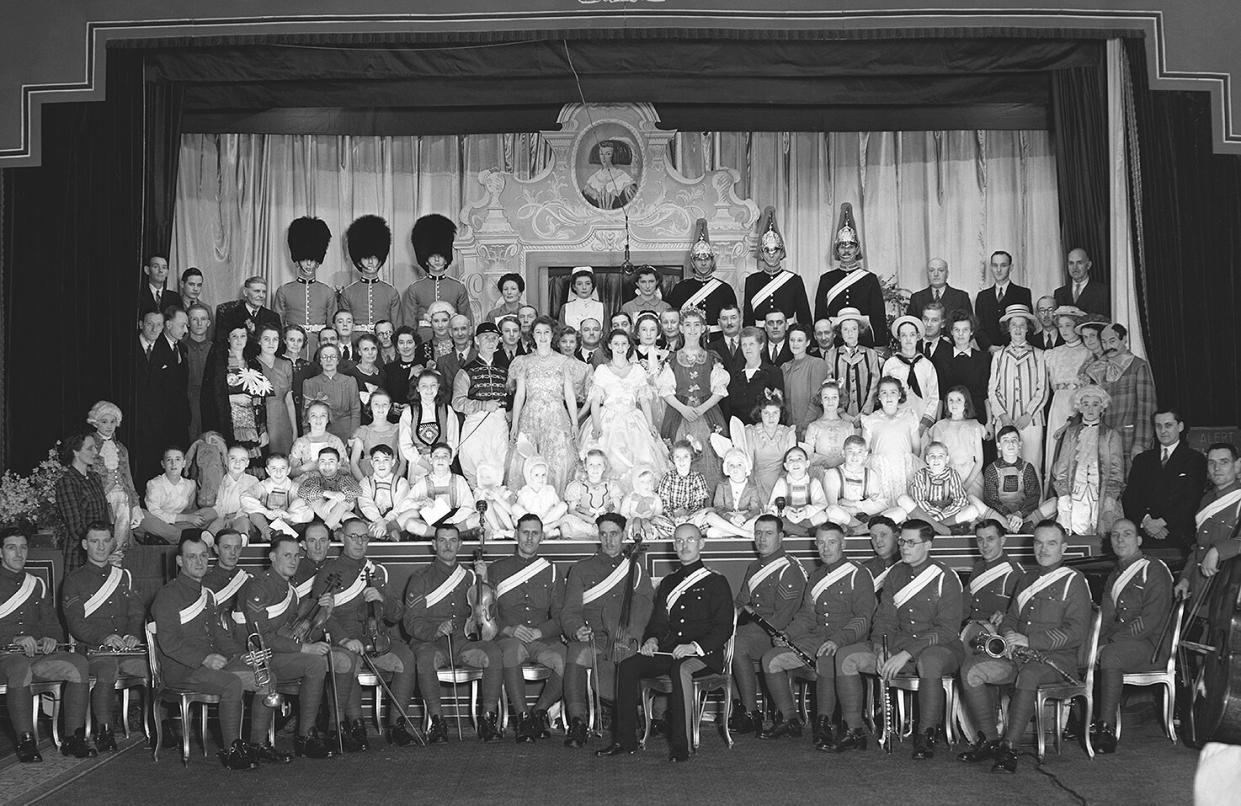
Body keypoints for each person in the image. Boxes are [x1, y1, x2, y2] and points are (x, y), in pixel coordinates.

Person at [956, 520, 1091, 774]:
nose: (1043, 549)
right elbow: (1010, 618)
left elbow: (1076, 632)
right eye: (1038, 543)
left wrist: (1031, 641)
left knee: (1029, 675)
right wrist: (1009, 635)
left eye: (1051, 543)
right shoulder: (1027, 578)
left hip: (1055, 661)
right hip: (1017, 656)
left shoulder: (1074, 581)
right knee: (971, 669)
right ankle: (990, 740)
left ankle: (1009, 748)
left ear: (1064, 547)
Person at [597, 523, 733, 763]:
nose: (684, 545)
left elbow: (724, 627)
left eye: (690, 540)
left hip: (702, 654)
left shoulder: (716, 582)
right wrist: (652, 639)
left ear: (701, 544)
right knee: (628, 666)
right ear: (673, 546)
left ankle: (682, 746)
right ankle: (624, 740)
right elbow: (658, 622)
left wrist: (694, 647)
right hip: (670, 652)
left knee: (680, 669)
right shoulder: (669, 583)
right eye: (679, 541)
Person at [835, 519, 964, 759]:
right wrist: (880, 648)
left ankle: (926, 735)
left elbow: (947, 630)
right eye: (902, 541)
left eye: (911, 542)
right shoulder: (895, 573)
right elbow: (885, 619)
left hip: (939, 647)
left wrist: (907, 654)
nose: (904, 547)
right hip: (897, 646)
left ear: (928, 545)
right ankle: (854, 730)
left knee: (930, 662)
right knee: (846, 657)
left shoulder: (945, 576)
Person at [151, 531, 273, 769]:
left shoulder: (206, 595)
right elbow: (169, 642)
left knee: (265, 677)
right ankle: (232, 750)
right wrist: (204, 658)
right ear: (180, 561)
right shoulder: (168, 595)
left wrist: (241, 656)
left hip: (209, 664)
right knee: (231, 684)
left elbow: (218, 634)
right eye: (191, 557)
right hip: (182, 669)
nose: (198, 562)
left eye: (203, 556)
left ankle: (258, 746)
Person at [760, 522, 874, 749]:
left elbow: (863, 618)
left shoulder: (858, 574)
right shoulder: (816, 576)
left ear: (843, 543)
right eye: (820, 543)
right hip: (817, 638)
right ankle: (789, 719)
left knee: (827, 658)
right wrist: (787, 634)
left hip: (848, 640)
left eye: (831, 542)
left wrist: (838, 640)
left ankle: (823, 724)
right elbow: (807, 616)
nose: (826, 548)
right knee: (770, 660)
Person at [316, 519, 418, 748]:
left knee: (407, 657)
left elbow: (397, 614)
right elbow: (321, 616)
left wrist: (382, 599)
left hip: (376, 639)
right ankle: (355, 725)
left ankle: (397, 725)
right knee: (348, 660)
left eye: (364, 537)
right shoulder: (328, 571)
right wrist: (344, 639)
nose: (360, 542)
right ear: (342, 538)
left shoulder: (376, 570)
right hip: (345, 639)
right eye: (354, 537)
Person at [0, 528, 97, 762]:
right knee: (18, 668)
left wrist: (51, 638)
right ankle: (26, 741)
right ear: (0, 551)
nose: (19, 553)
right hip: (4, 657)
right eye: (12, 547)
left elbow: (51, 623)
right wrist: (12, 640)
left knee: (78, 664)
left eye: (23, 547)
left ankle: (73, 738)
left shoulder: (36, 584)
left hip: (35, 656)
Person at [403, 523, 504, 742]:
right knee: (426, 658)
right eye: (442, 540)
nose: (447, 545)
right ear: (433, 544)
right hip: (430, 640)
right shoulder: (420, 578)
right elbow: (411, 621)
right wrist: (434, 630)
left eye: (452, 541)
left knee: (493, 653)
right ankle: (437, 722)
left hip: (463, 638)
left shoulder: (470, 577)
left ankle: (488, 718)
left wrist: (484, 580)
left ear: (460, 545)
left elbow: (487, 613)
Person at [237, 534, 335, 758]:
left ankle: (306, 736)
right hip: (256, 656)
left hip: (277, 654)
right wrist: (304, 649)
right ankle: (257, 744)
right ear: (272, 557)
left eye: (296, 556)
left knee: (316, 664)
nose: (293, 561)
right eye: (286, 555)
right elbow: (260, 636)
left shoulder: (288, 589)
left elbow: (295, 632)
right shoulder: (259, 587)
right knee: (313, 662)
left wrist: (325, 614)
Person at [560, 513, 653, 747]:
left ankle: (629, 714)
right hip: (593, 637)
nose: (609, 540)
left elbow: (646, 610)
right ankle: (578, 722)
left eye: (614, 534)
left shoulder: (636, 570)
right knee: (576, 651)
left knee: (633, 660)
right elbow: (570, 612)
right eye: (603, 534)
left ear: (623, 535)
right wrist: (576, 629)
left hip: (625, 638)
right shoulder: (581, 569)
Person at [61, 522, 144, 752]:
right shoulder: (74, 580)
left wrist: (132, 635)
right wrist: (104, 637)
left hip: (125, 649)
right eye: (95, 541)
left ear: (112, 543)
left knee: (154, 666)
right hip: (92, 649)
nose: (101, 546)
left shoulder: (124, 576)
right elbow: (75, 623)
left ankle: (161, 725)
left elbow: (137, 612)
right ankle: (105, 730)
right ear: (85, 545)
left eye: (106, 541)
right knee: (107, 667)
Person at [1092, 518, 1173, 753]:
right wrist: (1096, 644)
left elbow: (1150, 621)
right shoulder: (1115, 574)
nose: (1120, 539)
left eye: (1127, 534)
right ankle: (1080, 719)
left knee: (1111, 656)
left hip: (1152, 646)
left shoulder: (1154, 569)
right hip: (1125, 645)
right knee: (1085, 650)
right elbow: (1106, 619)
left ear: (1138, 540)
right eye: (1115, 535)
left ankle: (1105, 728)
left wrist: (1109, 645)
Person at [490, 515, 567, 742]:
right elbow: (485, 615)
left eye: (535, 533)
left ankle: (539, 712)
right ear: (516, 535)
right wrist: (508, 630)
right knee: (512, 651)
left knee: (565, 658)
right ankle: (522, 717)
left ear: (542, 537)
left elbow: (561, 616)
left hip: (540, 639)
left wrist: (541, 632)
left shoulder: (551, 571)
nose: (530, 538)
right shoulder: (496, 570)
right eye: (525, 532)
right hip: (509, 638)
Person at [728, 514, 808, 734]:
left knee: (736, 644)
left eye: (769, 533)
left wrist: (744, 631)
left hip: (778, 634)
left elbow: (783, 616)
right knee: (723, 640)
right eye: (758, 533)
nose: (762, 539)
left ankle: (751, 712)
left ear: (781, 537)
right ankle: (738, 706)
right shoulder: (754, 567)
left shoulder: (789, 568)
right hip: (752, 631)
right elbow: (741, 601)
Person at [582, 328, 669, 491]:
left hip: (632, 418)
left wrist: (650, 425)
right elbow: (595, 402)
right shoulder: (602, 370)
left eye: (623, 344)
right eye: (616, 344)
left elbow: (643, 400)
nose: (620, 348)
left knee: (641, 455)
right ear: (610, 345)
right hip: (607, 418)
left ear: (629, 346)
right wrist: (596, 426)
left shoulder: (637, 370)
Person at [507, 316, 579, 495]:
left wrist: (575, 422)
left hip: (556, 416)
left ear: (552, 335)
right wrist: (515, 423)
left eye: (546, 332)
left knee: (557, 459)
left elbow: (569, 395)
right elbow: (520, 394)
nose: (542, 336)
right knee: (526, 458)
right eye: (538, 332)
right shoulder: (523, 361)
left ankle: (554, 499)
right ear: (532, 335)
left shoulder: (564, 362)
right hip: (530, 416)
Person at [1123, 408, 1208, 557]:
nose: (1163, 430)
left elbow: (1192, 499)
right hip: (1144, 535)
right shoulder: (1142, 460)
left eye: (1168, 425)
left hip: (1179, 536)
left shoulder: (1195, 459)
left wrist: (1162, 522)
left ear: (1180, 427)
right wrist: (1148, 521)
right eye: (1158, 426)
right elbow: (1130, 497)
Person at [1079, 323, 1157, 475]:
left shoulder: (1138, 366)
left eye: (1112, 341)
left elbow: (1147, 408)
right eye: (1104, 342)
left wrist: (1140, 444)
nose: (1108, 346)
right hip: (1102, 443)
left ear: (1124, 339)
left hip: (1128, 442)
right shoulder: (1097, 369)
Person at [1050, 385, 1125, 536]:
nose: (1090, 409)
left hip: (1102, 497)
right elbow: (1062, 468)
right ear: (1080, 408)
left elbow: (1117, 471)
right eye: (1086, 404)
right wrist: (1064, 497)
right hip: (1076, 497)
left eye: (1095, 404)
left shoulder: (1111, 434)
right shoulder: (1071, 433)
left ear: (1102, 408)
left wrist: (1110, 499)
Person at [1174, 443, 1241, 601]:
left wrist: (1217, 550)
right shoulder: (1206, 499)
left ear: (1237, 465)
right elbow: (1198, 547)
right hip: (1202, 589)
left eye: (1224, 462)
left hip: (1229, 590)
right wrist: (1185, 578)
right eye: (1211, 462)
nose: (1216, 468)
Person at [814, 202, 886, 343]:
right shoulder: (826, 279)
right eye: (842, 246)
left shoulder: (869, 279)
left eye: (851, 246)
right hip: (835, 339)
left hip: (863, 336)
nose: (846, 251)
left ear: (857, 249)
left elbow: (878, 315)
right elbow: (820, 314)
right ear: (836, 250)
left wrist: (880, 344)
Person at [988, 303, 1047, 470]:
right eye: (1014, 325)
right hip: (1005, 420)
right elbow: (993, 389)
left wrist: (1028, 414)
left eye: (1022, 325)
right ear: (1008, 328)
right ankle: (1008, 497)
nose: (1018, 329)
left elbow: (1042, 389)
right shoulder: (999, 356)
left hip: (1031, 421)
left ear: (1028, 328)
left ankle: (1034, 497)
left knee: (1032, 464)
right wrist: (1002, 416)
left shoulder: (1039, 354)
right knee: (1007, 465)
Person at [203, 325, 271, 468]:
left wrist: (263, 430)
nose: (239, 340)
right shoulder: (220, 363)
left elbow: (260, 400)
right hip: (228, 423)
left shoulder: (253, 363)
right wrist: (232, 399)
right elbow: (210, 394)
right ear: (228, 339)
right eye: (235, 336)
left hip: (251, 424)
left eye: (243, 336)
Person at [403, 213, 472, 342]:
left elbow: (466, 319)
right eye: (432, 255)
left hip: (452, 339)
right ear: (425, 259)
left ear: (447, 259)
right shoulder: (415, 289)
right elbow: (409, 323)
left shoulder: (458, 288)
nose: (436, 259)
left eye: (441, 255)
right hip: (423, 339)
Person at [274, 216, 335, 358]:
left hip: (318, 347)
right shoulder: (284, 291)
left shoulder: (327, 292)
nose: (308, 264)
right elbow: (279, 325)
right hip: (293, 346)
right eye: (304, 259)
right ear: (297, 260)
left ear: (318, 262)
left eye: (312, 260)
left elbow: (330, 326)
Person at [85, 402, 142, 549]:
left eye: (113, 421)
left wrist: (136, 505)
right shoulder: (88, 445)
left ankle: (116, 552)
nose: (109, 426)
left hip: (120, 494)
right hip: (98, 493)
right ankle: (111, 552)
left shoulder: (121, 449)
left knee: (123, 498)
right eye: (104, 422)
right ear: (96, 422)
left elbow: (128, 479)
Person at [743, 206, 811, 327]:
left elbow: (804, 318)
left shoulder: (794, 281)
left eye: (775, 250)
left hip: (787, 336)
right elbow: (748, 319)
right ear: (761, 254)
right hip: (759, 337)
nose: (771, 255)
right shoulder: (752, 281)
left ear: (781, 253)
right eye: (767, 251)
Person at [893, 441, 981, 533]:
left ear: (947, 459)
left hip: (947, 515)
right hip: (924, 514)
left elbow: (960, 500)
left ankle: (933, 527)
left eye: (940, 456)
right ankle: (943, 530)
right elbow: (919, 501)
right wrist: (934, 513)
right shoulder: (920, 474)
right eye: (932, 456)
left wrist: (941, 516)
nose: (936, 459)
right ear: (927, 459)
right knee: (902, 499)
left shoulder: (953, 474)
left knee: (973, 510)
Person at [54, 431, 112, 570]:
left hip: (101, 551)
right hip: (79, 553)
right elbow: (76, 529)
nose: (95, 452)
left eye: (95, 448)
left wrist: (108, 542)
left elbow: (104, 515)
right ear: (75, 452)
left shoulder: (95, 478)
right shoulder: (67, 482)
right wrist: (98, 546)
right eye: (89, 448)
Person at [667, 218, 738, 332]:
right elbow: (674, 320)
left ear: (712, 261)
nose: (703, 263)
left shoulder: (725, 289)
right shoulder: (680, 288)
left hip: (717, 340)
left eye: (707, 259)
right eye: (699, 259)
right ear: (692, 262)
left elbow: (733, 321)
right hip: (690, 339)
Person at [1043, 305, 1092, 467]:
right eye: (1061, 326)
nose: (1064, 330)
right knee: (1055, 446)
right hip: (1058, 404)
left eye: (1068, 325)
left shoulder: (1087, 352)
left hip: (1078, 403)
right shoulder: (1053, 353)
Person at [861, 377, 922, 507]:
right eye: (884, 392)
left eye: (893, 392)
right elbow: (864, 451)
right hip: (881, 470)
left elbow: (916, 449)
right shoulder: (871, 420)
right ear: (878, 397)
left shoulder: (909, 416)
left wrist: (907, 464)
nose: (888, 396)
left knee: (906, 503)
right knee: (883, 504)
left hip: (904, 469)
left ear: (900, 395)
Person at [339, 215, 401, 339]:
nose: (371, 262)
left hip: (383, 341)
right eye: (366, 258)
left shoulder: (391, 291)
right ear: (358, 260)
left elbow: (396, 326)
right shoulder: (348, 292)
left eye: (375, 257)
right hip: (357, 342)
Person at [138, 447, 216, 544]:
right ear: (163, 464)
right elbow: (154, 513)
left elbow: (188, 510)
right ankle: (183, 537)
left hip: (178, 524)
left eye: (177, 459)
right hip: (158, 522)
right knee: (141, 515)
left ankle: (167, 537)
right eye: (169, 460)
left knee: (211, 512)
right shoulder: (154, 484)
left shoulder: (190, 484)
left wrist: (191, 518)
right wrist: (187, 518)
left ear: (184, 463)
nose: (173, 464)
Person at [402, 443, 479, 539]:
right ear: (430, 460)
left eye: (445, 456)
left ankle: (450, 533)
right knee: (410, 524)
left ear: (451, 460)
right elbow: (404, 505)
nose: (440, 459)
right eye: (436, 456)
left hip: (455, 521)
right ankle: (445, 535)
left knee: (479, 518)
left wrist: (452, 520)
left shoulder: (459, 480)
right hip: (431, 523)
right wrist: (420, 503)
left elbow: (469, 506)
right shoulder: (423, 482)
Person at [963, 520, 1024, 637]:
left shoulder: (1013, 573)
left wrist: (1005, 616)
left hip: (995, 636)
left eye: (990, 539)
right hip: (970, 631)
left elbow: (1023, 614)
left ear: (1002, 540)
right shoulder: (979, 566)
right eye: (980, 540)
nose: (984, 545)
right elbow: (964, 604)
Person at [399, 369, 460, 482]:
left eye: (433, 385)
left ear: (438, 386)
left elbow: (453, 441)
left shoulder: (447, 411)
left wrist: (442, 461)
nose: (429, 390)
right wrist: (427, 465)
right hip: (418, 464)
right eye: (424, 386)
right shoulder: (409, 412)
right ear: (417, 388)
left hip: (442, 462)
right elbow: (405, 444)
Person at [883, 315, 940, 434]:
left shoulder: (926, 365)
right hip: (897, 424)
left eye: (912, 335)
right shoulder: (891, 364)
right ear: (898, 338)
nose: (908, 339)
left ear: (918, 337)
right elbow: (885, 395)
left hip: (922, 425)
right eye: (904, 335)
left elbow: (934, 398)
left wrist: (923, 426)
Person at [981, 426, 1043, 532]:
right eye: (1005, 440)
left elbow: (1033, 496)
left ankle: (1014, 527)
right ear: (999, 446)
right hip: (1000, 517)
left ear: (1020, 444)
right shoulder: (992, 469)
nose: (1010, 444)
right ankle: (1014, 527)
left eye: (1014, 440)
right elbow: (991, 500)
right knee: (972, 499)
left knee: (1054, 502)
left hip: (1023, 517)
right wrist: (1008, 515)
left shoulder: (1027, 467)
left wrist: (1019, 514)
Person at [824, 307, 882, 418]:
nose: (850, 333)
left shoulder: (871, 354)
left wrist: (865, 412)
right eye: (845, 329)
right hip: (840, 416)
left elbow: (874, 385)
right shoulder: (831, 356)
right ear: (839, 331)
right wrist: (842, 413)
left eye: (854, 329)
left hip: (866, 416)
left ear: (859, 330)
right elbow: (830, 386)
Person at [929, 386, 986, 497]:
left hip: (971, 476)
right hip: (947, 476)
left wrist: (966, 485)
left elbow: (979, 461)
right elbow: (936, 457)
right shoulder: (940, 426)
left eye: (959, 400)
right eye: (951, 400)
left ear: (965, 404)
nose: (954, 403)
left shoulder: (974, 425)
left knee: (974, 508)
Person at [823, 436, 887, 534]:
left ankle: (859, 530)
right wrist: (861, 507)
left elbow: (882, 504)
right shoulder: (832, 473)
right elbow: (832, 505)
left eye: (859, 452)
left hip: (868, 517)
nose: (855, 456)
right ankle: (866, 529)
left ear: (865, 454)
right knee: (832, 511)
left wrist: (853, 505)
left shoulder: (871, 474)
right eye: (850, 451)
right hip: (844, 519)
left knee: (899, 512)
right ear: (843, 453)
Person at [301, 343, 360, 446]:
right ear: (320, 361)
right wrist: (308, 438)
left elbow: (355, 411)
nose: (329, 360)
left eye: (333, 357)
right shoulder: (310, 383)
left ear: (338, 360)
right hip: (319, 433)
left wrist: (353, 436)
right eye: (324, 357)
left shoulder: (350, 381)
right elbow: (306, 415)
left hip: (345, 433)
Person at [241, 453, 310, 541]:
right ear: (267, 471)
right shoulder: (261, 486)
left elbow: (308, 509)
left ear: (288, 470)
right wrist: (266, 512)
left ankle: (286, 537)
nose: (278, 472)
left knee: (301, 504)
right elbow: (244, 497)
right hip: (266, 524)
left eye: (282, 468)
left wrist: (289, 516)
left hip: (288, 523)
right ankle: (268, 533)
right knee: (254, 513)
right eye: (274, 468)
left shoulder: (295, 487)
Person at [940, 310, 991, 427]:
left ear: (972, 331)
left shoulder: (983, 358)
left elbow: (986, 394)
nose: (961, 334)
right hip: (951, 419)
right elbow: (941, 395)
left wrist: (989, 422)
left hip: (978, 419)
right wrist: (939, 423)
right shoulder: (942, 359)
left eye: (965, 330)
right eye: (957, 330)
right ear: (951, 332)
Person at [745, 393, 798, 505]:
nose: (771, 417)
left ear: (781, 413)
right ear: (760, 413)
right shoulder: (751, 432)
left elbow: (792, 465)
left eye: (775, 413)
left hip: (782, 481)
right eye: (766, 413)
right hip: (758, 481)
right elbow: (749, 466)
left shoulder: (788, 433)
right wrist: (753, 491)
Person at [974, 250, 1032, 349]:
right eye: (995, 265)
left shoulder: (1023, 293)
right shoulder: (982, 296)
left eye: (1003, 265)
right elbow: (979, 328)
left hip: (1016, 352)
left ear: (1011, 267)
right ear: (991, 268)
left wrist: (1012, 347)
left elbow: (1028, 325)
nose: (999, 269)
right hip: (989, 355)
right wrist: (989, 347)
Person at [725, 326, 783, 426]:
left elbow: (778, 406)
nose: (748, 348)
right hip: (738, 431)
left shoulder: (774, 373)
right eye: (744, 345)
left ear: (761, 346)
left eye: (751, 344)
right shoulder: (732, 374)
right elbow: (727, 408)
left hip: (763, 432)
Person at [253, 324, 297, 455]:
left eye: (275, 339)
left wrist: (294, 430)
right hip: (261, 420)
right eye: (266, 339)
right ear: (259, 341)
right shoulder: (252, 364)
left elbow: (289, 400)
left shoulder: (286, 365)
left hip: (283, 421)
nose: (271, 343)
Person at [781, 323, 828, 438]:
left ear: (807, 342)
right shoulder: (784, 367)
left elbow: (815, 400)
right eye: (792, 340)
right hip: (790, 428)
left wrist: (805, 427)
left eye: (800, 340)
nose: (795, 344)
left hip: (809, 428)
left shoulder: (816, 363)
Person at [356, 444, 412, 541]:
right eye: (377, 460)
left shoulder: (401, 482)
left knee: (412, 513)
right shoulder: (365, 482)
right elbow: (366, 505)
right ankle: (387, 533)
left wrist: (385, 522)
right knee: (357, 524)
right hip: (372, 521)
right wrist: (378, 520)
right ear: (372, 463)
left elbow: (400, 507)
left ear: (393, 462)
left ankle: (383, 532)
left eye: (386, 460)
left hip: (393, 520)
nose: (381, 464)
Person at [297, 447, 361, 530]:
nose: (327, 465)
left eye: (331, 461)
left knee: (345, 501)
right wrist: (328, 493)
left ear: (338, 465)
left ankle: (327, 528)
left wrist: (334, 500)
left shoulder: (344, 477)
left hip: (341, 508)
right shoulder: (314, 478)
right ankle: (338, 529)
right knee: (314, 499)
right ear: (318, 464)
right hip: (325, 512)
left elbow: (357, 490)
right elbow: (302, 492)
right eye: (322, 461)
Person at [768, 446, 828, 535]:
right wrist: (786, 510)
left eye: (799, 458)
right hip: (788, 519)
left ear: (807, 463)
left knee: (823, 516)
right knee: (771, 517)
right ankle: (804, 533)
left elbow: (822, 503)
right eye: (790, 460)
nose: (795, 462)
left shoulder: (813, 482)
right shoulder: (782, 482)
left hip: (807, 520)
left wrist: (806, 511)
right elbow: (772, 506)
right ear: (786, 466)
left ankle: (794, 532)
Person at [202, 528, 252, 630]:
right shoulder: (204, 583)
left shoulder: (249, 581)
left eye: (237, 547)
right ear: (216, 549)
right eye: (227, 547)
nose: (233, 553)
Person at [208, 446, 263, 536]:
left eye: (242, 460)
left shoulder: (253, 481)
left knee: (243, 523)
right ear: (226, 460)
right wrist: (223, 517)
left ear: (247, 463)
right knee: (215, 525)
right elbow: (217, 503)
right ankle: (208, 539)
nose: (237, 463)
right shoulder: (220, 480)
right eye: (233, 458)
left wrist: (237, 516)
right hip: (222, 517)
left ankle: (242, 539)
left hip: (243, 517)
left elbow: (252, 505)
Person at [804, 380, 858, 472]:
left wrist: (838, 460)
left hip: (843, 473)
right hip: (821, 473)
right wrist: (826, 461)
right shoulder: (814, 427)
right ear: (821, 400)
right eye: (826, 397)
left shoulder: (848, 426)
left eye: (834, 397)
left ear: (839, 399)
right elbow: (808, 455)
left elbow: (852, 452)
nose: (830, 401)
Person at [213, 276, 282, 348]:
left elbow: (278, 346)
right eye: (257, 291)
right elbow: (220, 344)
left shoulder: (273, 317)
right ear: (245, 292)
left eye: (264, 292)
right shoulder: (229, 315)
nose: (261, 295)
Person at [348, 389, 402, 481]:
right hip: (367, 477)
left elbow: (403, 461)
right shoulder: (363, 431)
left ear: (389, 406)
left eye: (384, 404)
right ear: (370, 406)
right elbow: (354, 462)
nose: (380, 408)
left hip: (392, 477)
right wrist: (365, 484)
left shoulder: (397, 429)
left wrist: (396, 482)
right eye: (376, 404)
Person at [288, 401, 347, 479]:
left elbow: (347, 469)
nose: (318, 419)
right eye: (313, 415)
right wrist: (305, 468)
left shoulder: (335, 441)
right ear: (308, 419)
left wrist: (334, 467)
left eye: (323, 415)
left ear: (328, 419)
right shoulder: (301, 443)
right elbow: (291, 472)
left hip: (332, 482)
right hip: (307, 483)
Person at [906, 258, 973, 321]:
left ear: (947, 274)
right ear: (927, 274)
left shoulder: (961, 297)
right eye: (931, 270)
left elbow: (969, 325)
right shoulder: (916, 298)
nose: (936, 274)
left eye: (940, 270)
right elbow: (911, 326)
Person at [185, 303, 215, 441]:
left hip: (210, 402)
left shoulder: (215, 349)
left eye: (203, 319)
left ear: (208, 323)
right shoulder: (180, 348)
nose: (199, 323)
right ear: (188, 322)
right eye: (194, 319)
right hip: (187, 402)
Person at [1053, 248, 1111, 319]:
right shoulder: (1059, 293)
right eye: (1071, 263)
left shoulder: (1103, 291)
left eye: (1079, 263)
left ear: (1088, 265)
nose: (1075, 268)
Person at [581, 139, 638, 210]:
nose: (604, 157)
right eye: (601, 154)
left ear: (613, 155)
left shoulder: (623, 177)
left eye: (608, 154)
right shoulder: (593, 179)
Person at [346, 334, 385, 423]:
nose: (370, 353)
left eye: (373, 348)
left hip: (379, 422)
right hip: (358, 423)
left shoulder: (383, 373)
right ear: (359, 352)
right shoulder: (350, 375)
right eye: (365, 349)